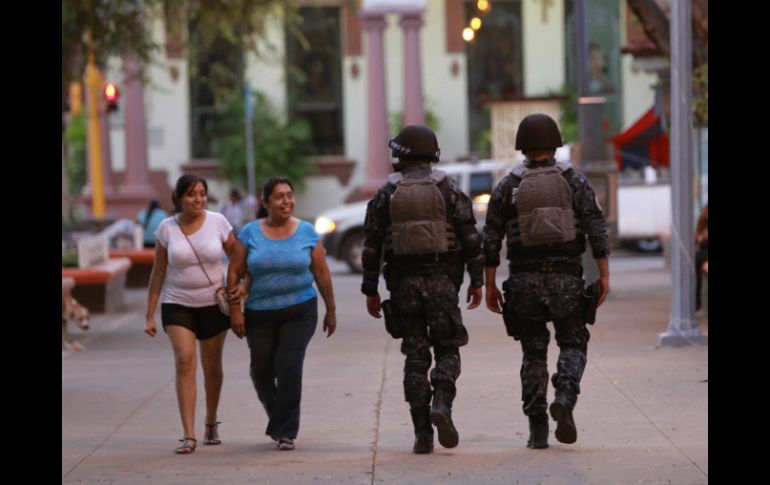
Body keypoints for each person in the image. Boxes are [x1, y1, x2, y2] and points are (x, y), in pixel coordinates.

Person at [482, 113, 610, 449]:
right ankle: (565, 398)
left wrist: (490, 283)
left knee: (533, 354)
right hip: (567, 279)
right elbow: (596, 228)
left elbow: (491, 238)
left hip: (523, 283)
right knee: (572, 343)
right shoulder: (575, 181)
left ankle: (537, 428)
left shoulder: (508, 185)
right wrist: (604, 275)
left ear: (522, 146)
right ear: (555, 143)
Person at [361, 125, 484, 454]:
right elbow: (470, 237)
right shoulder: (448, 188)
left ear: (401, 154)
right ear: (432, 154)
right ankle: (442, 403)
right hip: (443, 283)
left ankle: (421, 434)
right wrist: (477, 280)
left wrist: (370, 288)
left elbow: (372, 246)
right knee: (448, 349)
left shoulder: (386, 192)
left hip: (404, 288)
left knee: (415, 357)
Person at [226, 176, 337, 451]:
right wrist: (235, 313)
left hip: (300, 310)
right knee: (262, 369)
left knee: (288, 365)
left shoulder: (307, 232)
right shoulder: (250, 232)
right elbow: (234, 272)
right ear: (266, 202)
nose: (286, 201)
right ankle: (279, 415)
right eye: (279, 196)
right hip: (259, 312)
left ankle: (285, 430)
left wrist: (331, 310)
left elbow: (321, 273)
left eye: (289, 195)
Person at [144, 174, 240, 454]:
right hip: (177, 304)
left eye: (201, 193)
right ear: (179, 199)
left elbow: (237, 255)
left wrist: (240, 289)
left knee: (212, 367)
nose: (197, 199)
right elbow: (158, 271)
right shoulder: (166, 228)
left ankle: (211, 420)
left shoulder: (218, 222)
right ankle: (189, 433)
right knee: (185, 362)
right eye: (191, 194)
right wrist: (150, 314)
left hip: (213, 304)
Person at [695, 204, 708, 311]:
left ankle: (697, 303)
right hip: (703, 255)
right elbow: (696, 240)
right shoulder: (703, 220)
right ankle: (696, 303)